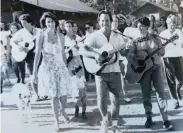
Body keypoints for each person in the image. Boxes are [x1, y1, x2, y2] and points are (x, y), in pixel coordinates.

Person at [79, 10, 125, 133]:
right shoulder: (94, 36)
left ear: (111, 21)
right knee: (101, 99)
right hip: (100, 72)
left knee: (116, 99)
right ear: (99, 22)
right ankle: (104, 121)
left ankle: (115, 125)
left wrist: (128, 49)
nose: (105, 23)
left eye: (107, 20)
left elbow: (124, 52)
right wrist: (95, 55)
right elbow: (82, 50)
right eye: (103, 20)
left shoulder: (118, 35)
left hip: (115, 70)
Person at [126, 17, 173, 130]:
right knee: (146, 95)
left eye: (141, 25)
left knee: (161, 92)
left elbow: (162, 53)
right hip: (143, 70)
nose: (139, 27)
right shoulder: (134, 40)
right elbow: (129, 55)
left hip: (156, 67)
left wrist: (161, 47)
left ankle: (165, 119)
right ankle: (149, 117)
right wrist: (135, 57)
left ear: (147, 27)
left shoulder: (155, 37)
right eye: (138, 25)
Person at [32, 12, 71, 131]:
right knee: (54, 95)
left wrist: (66, 68)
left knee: (63, 95)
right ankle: (56, 121)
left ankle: (63, 111)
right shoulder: (41, 36)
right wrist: (34, 72)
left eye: (52, 21)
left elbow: (63, 54)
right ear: (44, 23)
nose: (50, 24)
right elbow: (38, 54)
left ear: (56, 22)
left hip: (60, 67)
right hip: (48, 68)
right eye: (48, 22)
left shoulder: (61, 36)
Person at [10, 14, 43, 100]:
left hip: (39, 54)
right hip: (28, 56)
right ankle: (37, 94)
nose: (23, 25)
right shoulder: (21, 32)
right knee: (32, 74)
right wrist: (20, 47)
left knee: (41, 73)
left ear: (30, 22)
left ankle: (43, 92)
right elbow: (12, 42)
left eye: (25, 23)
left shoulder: (39, 31)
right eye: (22, 23)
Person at [159, 14, 183, 109]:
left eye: (173, 23)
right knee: (171, 81)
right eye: (170, 23)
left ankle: (177, 90)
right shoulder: (163, 34)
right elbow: (160, 49)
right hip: (168, 58)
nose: (172, 25)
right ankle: (175, 100)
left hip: (179, 57)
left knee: (181, 79)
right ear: (167, 23)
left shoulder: (179, 32)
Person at [112, 15, 132, 103]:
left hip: (119, 59)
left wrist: (127, 47)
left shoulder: (120, 34)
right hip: (108, 60)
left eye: (116, 21)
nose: (115, 23)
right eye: (113, 21)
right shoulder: (106, 33)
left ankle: (125, 96)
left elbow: (123, 50)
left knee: (122, 77)